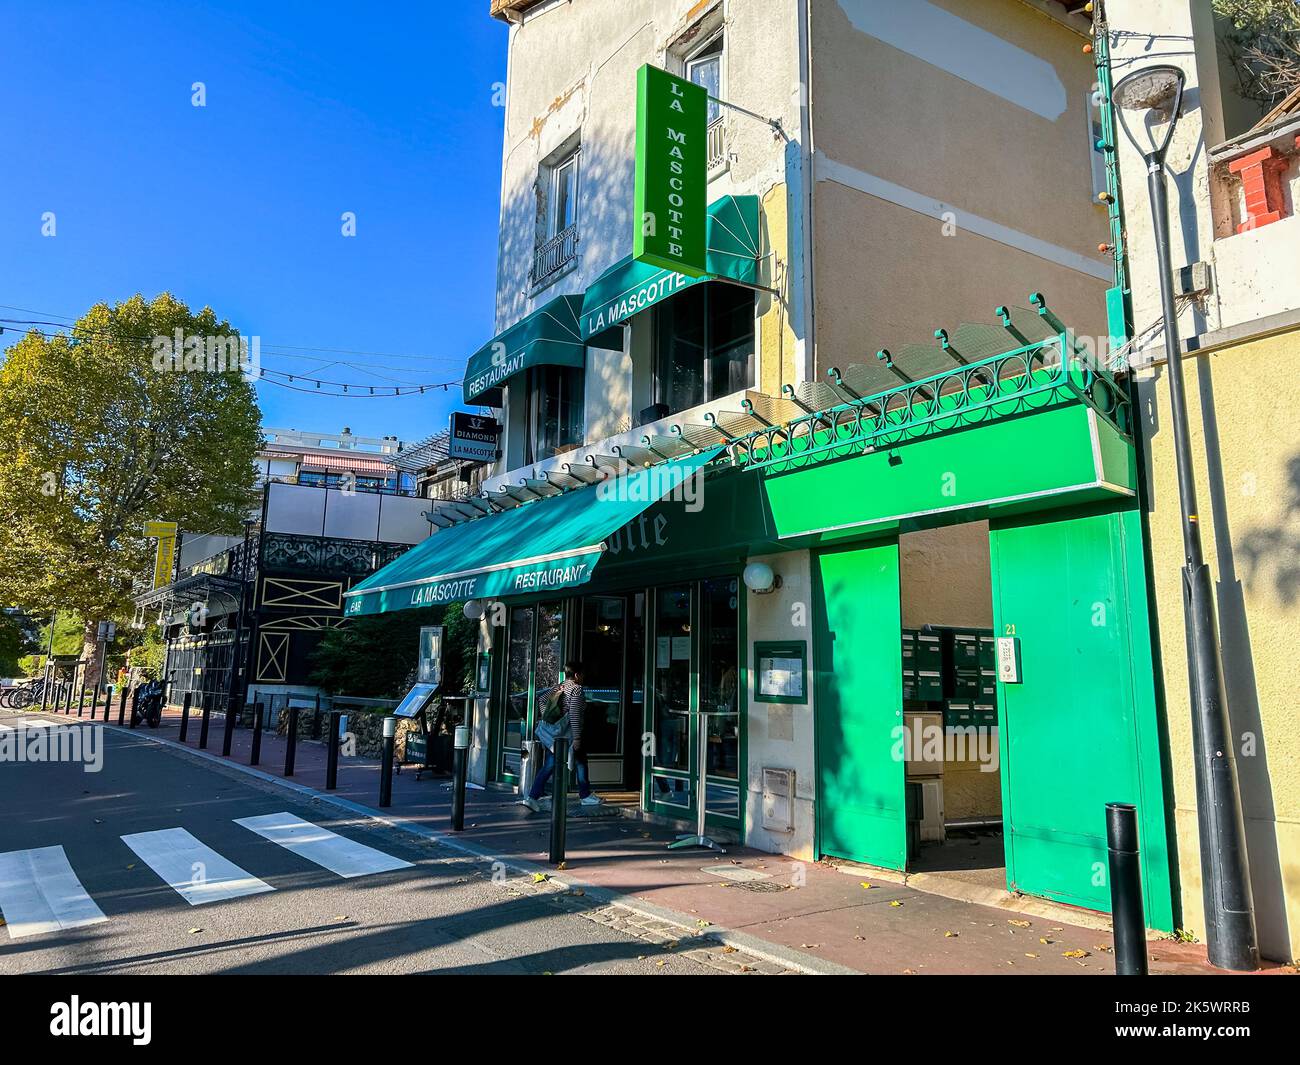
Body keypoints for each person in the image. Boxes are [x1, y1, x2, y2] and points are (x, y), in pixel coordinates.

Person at [524, 660, 602, 811]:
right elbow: (574, 715)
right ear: (577, 675)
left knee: (560, 763)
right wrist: (577, 737)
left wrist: (552, 718)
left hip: (553, 735)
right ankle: (584, 796)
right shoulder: (577, 690)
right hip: (568, 735)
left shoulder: (559, 686)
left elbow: (541, 700)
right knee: (577, 762)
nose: (584, 677)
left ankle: (533, 796)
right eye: (583, 674)